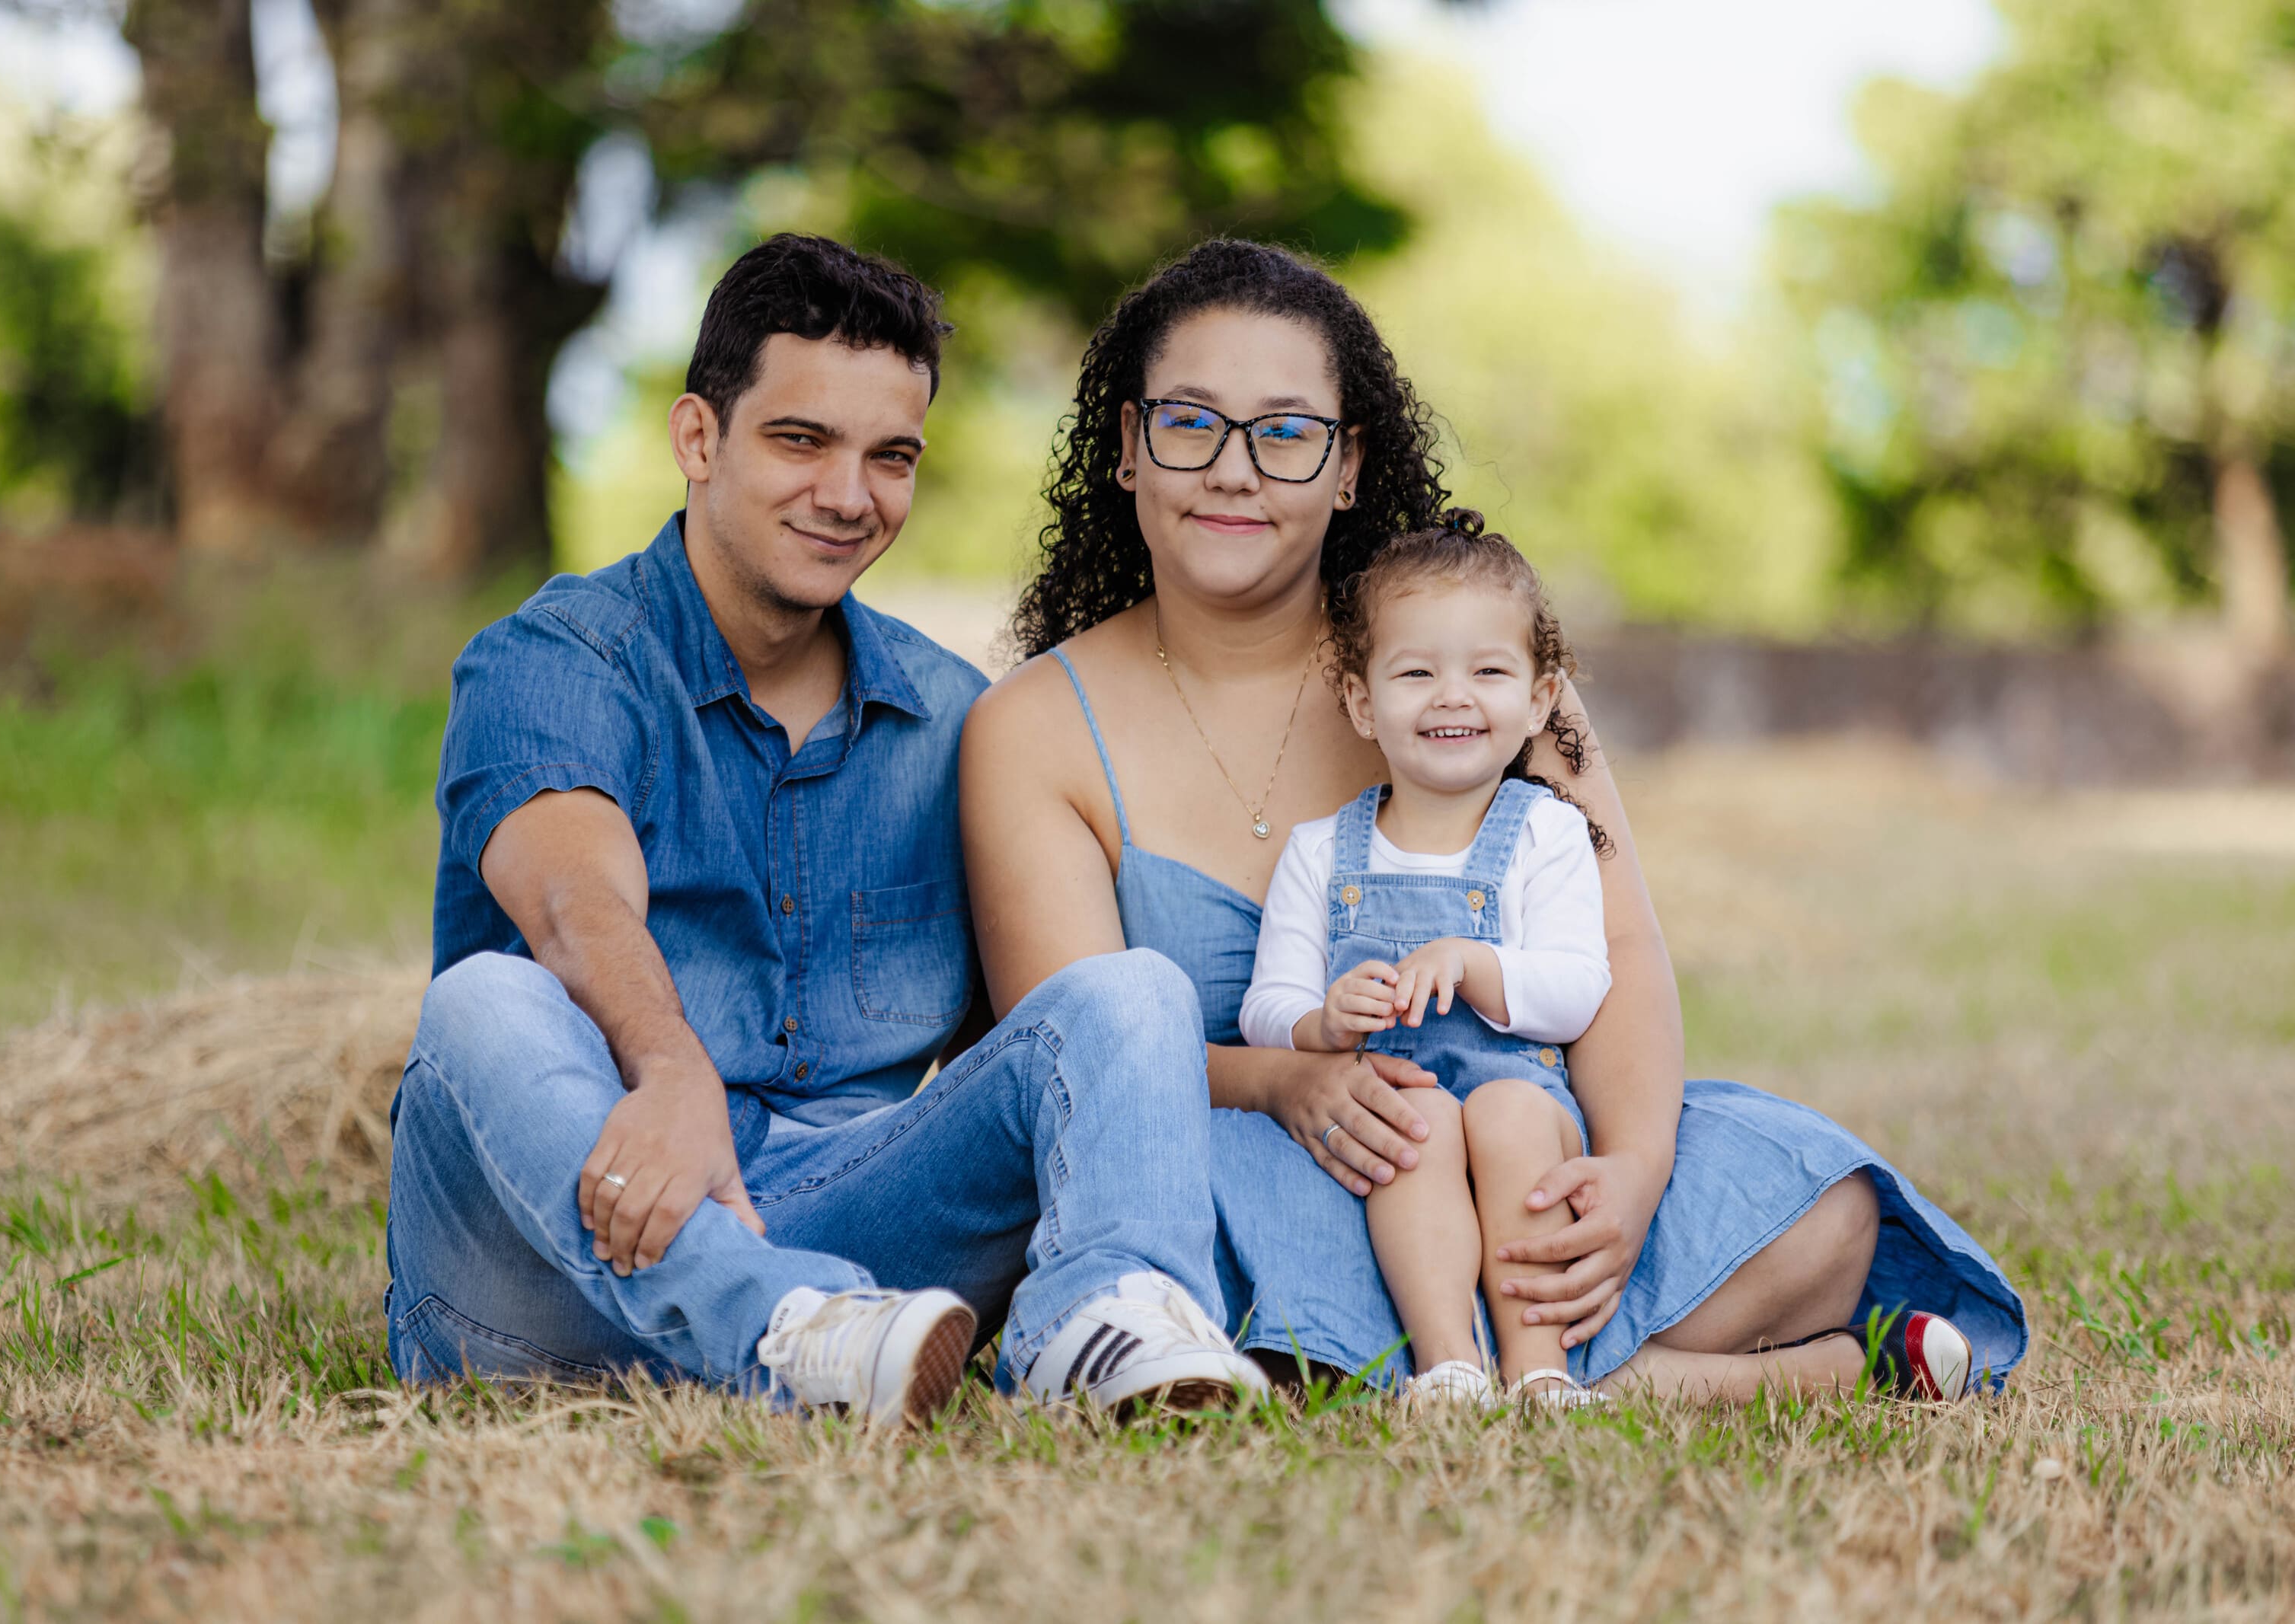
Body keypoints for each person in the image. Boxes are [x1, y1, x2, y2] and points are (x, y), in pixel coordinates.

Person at [958, 238, 2026, 1405]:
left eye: (1283, 432)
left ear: (1348, 463)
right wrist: (1282, 1084)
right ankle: (1699, 1377)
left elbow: (1615, 950)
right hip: (1239, 1161)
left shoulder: (1482, 683)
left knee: (1827, 1214)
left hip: (1515, 1142)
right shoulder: (1030, 726)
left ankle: (1483, 1359)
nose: (1232, 470)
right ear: (1125, 448)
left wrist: (1624, 1175)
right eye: (1188, 423)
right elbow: (1066, 1054)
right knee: (1196, 1259)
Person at [385, 232, 1269, 1425]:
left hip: (859, 1249)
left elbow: (1034, 1048)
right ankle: (776, 1325)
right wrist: (670, 1068)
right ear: (698, 439)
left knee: (1129, 992)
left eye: (888, 456)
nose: (848, 495)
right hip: (558, 1258)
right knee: (485, 1004)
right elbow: (570, 897)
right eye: (800, 441)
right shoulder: (557, 655)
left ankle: (1105, 1323)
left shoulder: (955, 717)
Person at [1240, 511, 1614, 1409]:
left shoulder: (1547, 834)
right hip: (1395, 1112)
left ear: (1537, 697)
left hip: (1524, 1104)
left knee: (1507, 1114)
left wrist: (1477, 965)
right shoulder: (1323, 850)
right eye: (1416, 673)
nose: (1453, 696)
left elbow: (1576, 989)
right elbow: (1265, 1007)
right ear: (1363, 702)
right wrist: (1321, 1022)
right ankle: (1449, 1364)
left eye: (1488, 671)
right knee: (1415, 1125)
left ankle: (1539, 1370)